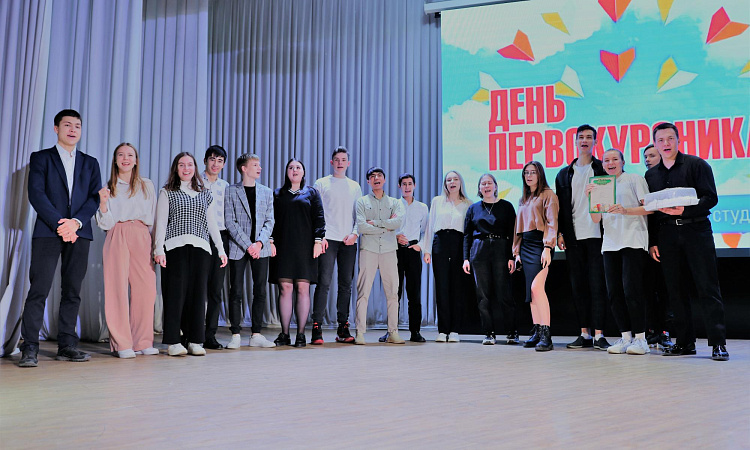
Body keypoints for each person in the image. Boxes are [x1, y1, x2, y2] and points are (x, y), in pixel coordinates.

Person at [19, 109, 102, 367]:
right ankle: (29, 347)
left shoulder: (91, 163)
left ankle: (67, 345)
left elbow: (94, 198)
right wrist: (60, 224)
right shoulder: (41, 158)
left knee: (72, 290)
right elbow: (36, 194)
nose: (73, 129)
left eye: (77, 125)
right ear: (56, 129)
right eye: (67, 125)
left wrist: (75, 223)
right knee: (39, 289)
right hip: (48, 230)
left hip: (80, 232)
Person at [645, 122, 728, 361]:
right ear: (655, 144)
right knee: (675, 290)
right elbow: (651, 212)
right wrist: (653, 241)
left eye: (670, 138)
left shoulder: (697, 164)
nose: (666, 144)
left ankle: (718, 344)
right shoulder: (651, 174)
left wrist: (686, 210)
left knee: (707, 287)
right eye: (661, 140)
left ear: (678, 140)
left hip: (696, 230)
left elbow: (711, 198)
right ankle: (684, 342)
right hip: (667, 235)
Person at [153, 152, 228, 357]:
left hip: (201, 249)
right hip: (174, 248)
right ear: (176, 169)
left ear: (195, 168)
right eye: (181, 165)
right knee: (175, 295)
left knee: (197, 296)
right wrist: (158, 249)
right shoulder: (167, 192)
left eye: (189, 165)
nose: (186, 168)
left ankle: (195, 340)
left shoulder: (205, 193)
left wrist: (220, 249)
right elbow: (161, 223)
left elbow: (212, 224)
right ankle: (173, 341)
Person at [95, 143, 158, 359]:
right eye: (121, 155)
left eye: (130, 155)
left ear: (136, 160)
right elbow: (105, 223)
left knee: (146, 289)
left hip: (142, 233)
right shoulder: (108, 187)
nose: (125, 158)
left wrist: (156, 246)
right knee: (116, 289)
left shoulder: (146, 185)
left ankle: (143, 341)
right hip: (117, 233)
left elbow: (154, 217)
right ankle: (122, 343)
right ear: (115, 160)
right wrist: (103, 204)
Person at [586, 149, 651, 355]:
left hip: (633, 240)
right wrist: (591, 199)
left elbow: (649, 208)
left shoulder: (634, 179)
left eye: (615, 159)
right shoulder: (600, 184)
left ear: (623, 162)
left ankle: (641, 339)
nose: (610, 163)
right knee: (614, 292)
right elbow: (596, 219)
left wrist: (626, 210)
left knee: (632, 290)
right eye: (606, 160)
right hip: (610, 243)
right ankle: (625, 337)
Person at [555, 124, 610, 351]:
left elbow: (608, 203)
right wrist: (560, 232)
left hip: (598, 235)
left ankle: (599, 335)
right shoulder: (563, 174)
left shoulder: (602, 169)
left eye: (589, 137)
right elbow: (560, 208)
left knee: (598, 285)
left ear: (595, 142)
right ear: (576, 141)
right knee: (578, 286)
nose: (584, 140)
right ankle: (584, 333)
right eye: (581, 137)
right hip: (573, 237)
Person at [269, 158, 325, 348]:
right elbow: (271, 219)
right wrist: (270, 241)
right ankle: (284, 333)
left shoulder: (312, 193)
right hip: (283, 246)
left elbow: (319, 218)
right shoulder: (278, 194)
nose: (294, 170)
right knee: (285, 288)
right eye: (291, 167)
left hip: (305, 247)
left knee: (302, 288)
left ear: (303, 171)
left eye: (298, 167)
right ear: (286, 172)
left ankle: (301, 334)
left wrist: (318, 241)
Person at [224, 154, 276, 348]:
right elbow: (230, 221)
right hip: (239, 247)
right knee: (236, 290)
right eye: (255, 165)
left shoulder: (266, 192)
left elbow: (270, 221)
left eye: (259, 164)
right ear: (244, 168)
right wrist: (248, 245)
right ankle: (235, 334)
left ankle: (256, 334)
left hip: (260, 248)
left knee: (260, 290)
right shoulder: (231, 191)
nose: (259, 168)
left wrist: (259, 243)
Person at [311, 147, 361, 344]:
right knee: (324, 282)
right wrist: (319, 237)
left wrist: (355, 234)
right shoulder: (321, 183)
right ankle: (317, 326)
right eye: (337, 160)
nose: (340, 163)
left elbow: (359, 215)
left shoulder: (355, 186)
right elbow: (315, 212)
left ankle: (343, 326)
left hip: (348, 240)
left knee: (346, 285)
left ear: (348, 163)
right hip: (327, 239)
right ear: (331, 162)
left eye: (343, 159)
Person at [463, 174, 516, 345]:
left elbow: (513, 233)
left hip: (501, 249)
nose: (486, 186)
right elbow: (467, 235)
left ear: (495, 186)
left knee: (504, 293)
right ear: (479, 188)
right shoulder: (473, 208)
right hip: (479, 250)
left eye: (489, 183)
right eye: (483, 184)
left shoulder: (506, 206)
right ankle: (489, 333)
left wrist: (512, 256)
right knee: (483, 295)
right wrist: (465, 259)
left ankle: (512, 332)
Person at [354, 167, 405, 345]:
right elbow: (361, 226)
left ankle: (393, 332)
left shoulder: (394, 202)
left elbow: (397, 222)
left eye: (379, 176)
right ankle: (360, 332)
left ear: (384, 180)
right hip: (368, 249)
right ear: (368, 181)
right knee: (363, 293)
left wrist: (376, 223)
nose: (376, 178)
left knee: (392, 293)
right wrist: (386, 227)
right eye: (372, 176)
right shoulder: (361, 201)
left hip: (389, 250)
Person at [421, 171, 473, 343]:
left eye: (455, 179)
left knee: (457, 287)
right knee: (442, 287)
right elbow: (430, 226)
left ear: (460, 182)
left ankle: (455, 330)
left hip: (458, 243)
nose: (452, 182)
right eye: (449, 179)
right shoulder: (437, 201)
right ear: (445, 183)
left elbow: (469, 232)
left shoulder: (468, 204)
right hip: (440, 243)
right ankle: (443, 330)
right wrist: (427, 250)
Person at [512, 161, 559, 352]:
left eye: (533, 172)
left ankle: (547, 334)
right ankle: (537, 331)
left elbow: (552, 223)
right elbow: (518, 228)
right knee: (531, 293)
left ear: (540, 174)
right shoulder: (523, 199)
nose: (529, 176)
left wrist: (547, 247)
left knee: (537, 288)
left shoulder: (548, 194)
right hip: (526, 246)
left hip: (541, 244)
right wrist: (516, 252)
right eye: (526, 173)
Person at [379, 173, 429, 343]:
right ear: (399, 186)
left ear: (414, 186)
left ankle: (415, 331)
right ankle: (391, 331)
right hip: (395, 250)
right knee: (394, 292)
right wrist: (395, 237)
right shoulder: (392, 205)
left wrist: (420, 246)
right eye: (404, 184)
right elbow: (385, 228)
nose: (407, 187)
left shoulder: (422, 207)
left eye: (410, 184)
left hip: (413, 251)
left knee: (414, 293)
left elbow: (426, 231)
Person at [642, 144, 674, 349]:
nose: (647, 159)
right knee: (648, 288)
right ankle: (651, 330)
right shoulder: (645, 179)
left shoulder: (670, 178)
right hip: (647, 241)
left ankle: (665, 331)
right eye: (645, 157)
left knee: (666, 288)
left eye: (651, 155)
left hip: (669, 239)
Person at [201, 145, 231, 350]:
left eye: (220, 161)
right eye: (212, 159)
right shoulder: (195, 182)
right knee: (196, 288)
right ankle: (191, 333)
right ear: (205, 161)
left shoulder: (225, 186)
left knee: (215, 289)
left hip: (221, 238)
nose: (215, 164)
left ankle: (210, 335)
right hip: (199, 236)